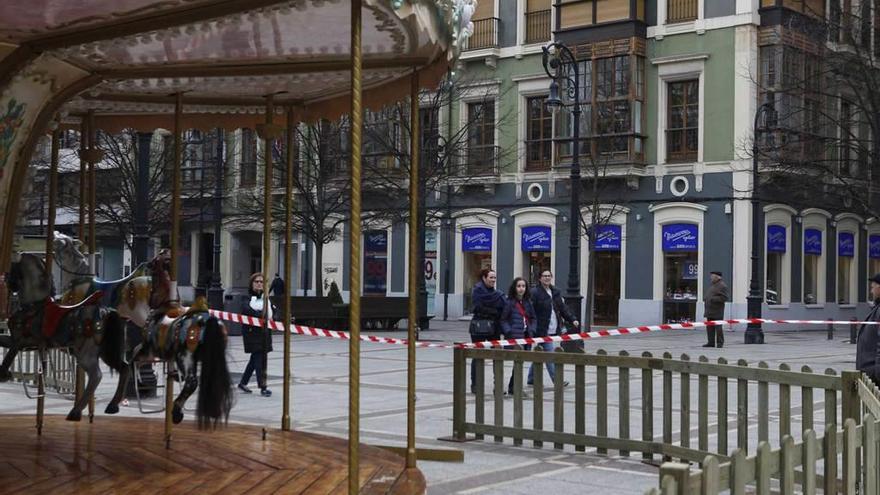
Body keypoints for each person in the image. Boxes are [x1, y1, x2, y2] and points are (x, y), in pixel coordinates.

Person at [528, 270, 578, 387]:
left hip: (553, 327)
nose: (547, 278)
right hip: (541, 329)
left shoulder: (555, 292)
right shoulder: (535, 292)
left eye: (549, 276)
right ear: (540, 279)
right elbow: (530, 310)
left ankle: (531, 378)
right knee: (549, 354)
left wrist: (572, 319)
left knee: (539, 354)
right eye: (544, 276)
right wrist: (532, 326)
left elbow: (562, 307)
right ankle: (557, 380)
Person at [238, 272, 275, 397]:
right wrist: (262, 315)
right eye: (256, 282)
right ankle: (263, 386)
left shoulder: (266, 299)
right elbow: (247, 310)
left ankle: (243, 382)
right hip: (252, 333)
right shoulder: (246, 297)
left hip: (264, 333)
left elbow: (275, 311)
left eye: (261, 282)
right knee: (259, 359)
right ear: (251, 284)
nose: (259, 284)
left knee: (255, 359)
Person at [469, 268, 505, 394]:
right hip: (479, 326)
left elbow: (503, 306)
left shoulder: (497, 293)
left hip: (493, 327)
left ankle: (498, 385)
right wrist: (495, 311)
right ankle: (475, 384)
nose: (493, 280)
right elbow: (477, 307)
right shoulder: (477, 290)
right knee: (478, 356)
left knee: (496, 355)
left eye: (494, 278)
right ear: (484, 278)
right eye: (491, 277)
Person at [500, 277, 536, 395]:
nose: (521, 289)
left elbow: (533, 318)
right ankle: (516, 388)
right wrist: (509, 331)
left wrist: (532, 329)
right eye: (519, 286)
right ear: (514, 288)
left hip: (526, 336)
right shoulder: (509, 302)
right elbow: (503, 320)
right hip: (515, 336)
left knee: (520, 362)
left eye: (523, 286)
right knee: (518, 362)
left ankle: (513, 387)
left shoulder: (528, 302)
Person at [857, 274, 880, 385]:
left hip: (875, 376)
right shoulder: (877, 308)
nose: (871, 291)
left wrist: (878, 372)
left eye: (872, 287)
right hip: (871, 374)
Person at [703, 271, 729, 348]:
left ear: (717, 277)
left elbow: (724, 297)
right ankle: (711, 342)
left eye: (712, 276)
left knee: (718, 328)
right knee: (709, 327)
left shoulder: (722, 286)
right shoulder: (713, 285)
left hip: (717, 310)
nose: (711, 278)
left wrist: (713, 299)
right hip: (710, 310)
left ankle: (720, 342)